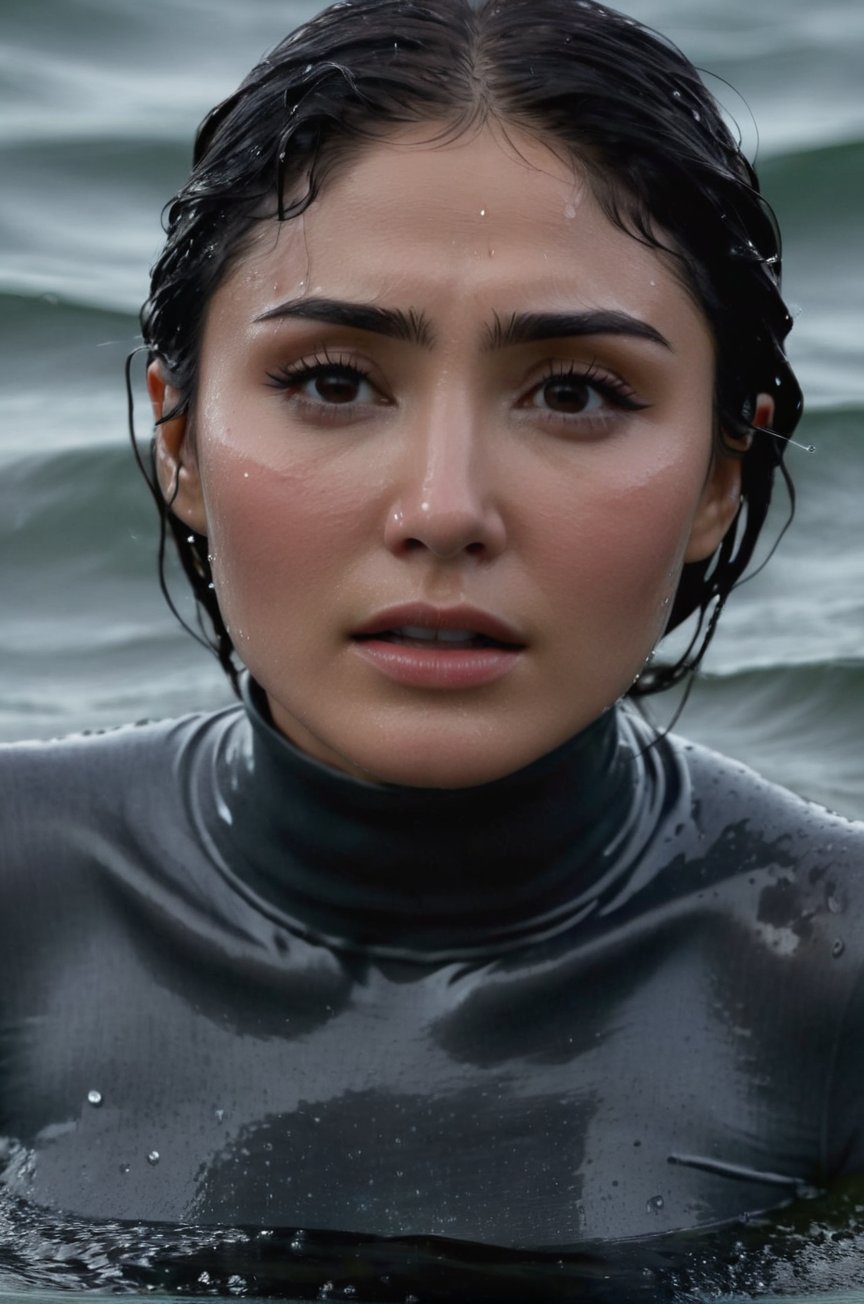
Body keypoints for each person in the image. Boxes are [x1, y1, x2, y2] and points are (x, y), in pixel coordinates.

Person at [1, 0, 863, 1270]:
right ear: (178, 436)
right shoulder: (18, 908)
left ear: (725, 472)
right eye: (334, 381)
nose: (443, 508)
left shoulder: (832, 991)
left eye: (575, 393)